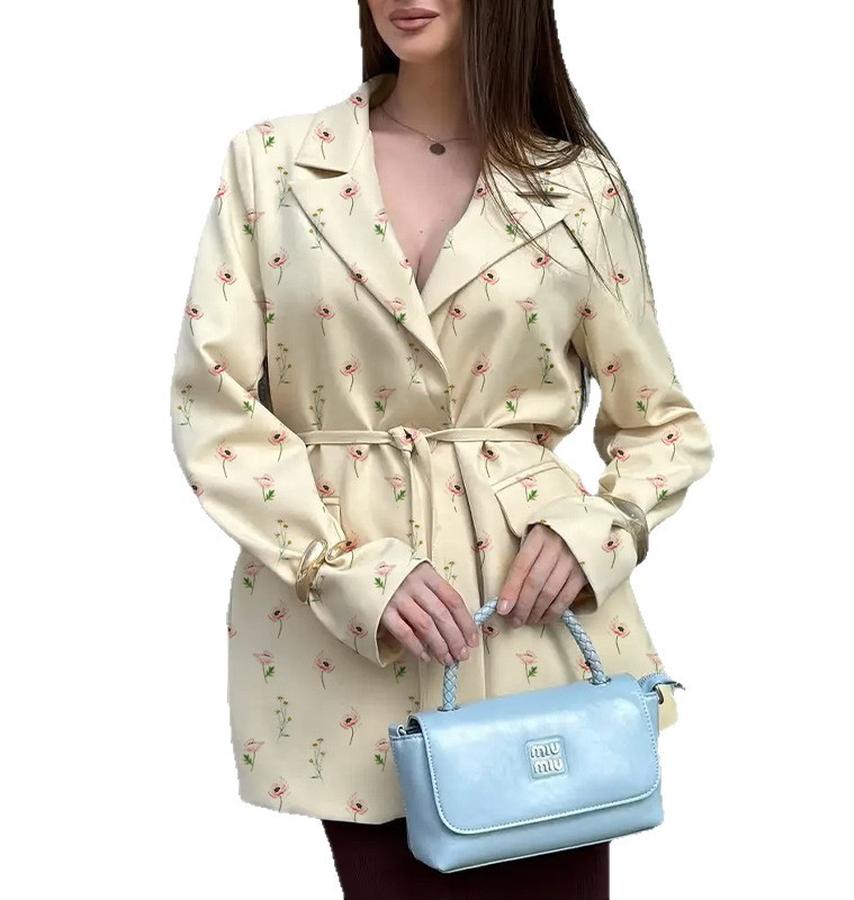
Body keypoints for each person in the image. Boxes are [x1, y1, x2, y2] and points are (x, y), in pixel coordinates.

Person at [168, 0, 714, 895]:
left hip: (533, 626)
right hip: (348, 639)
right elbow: (214, 408)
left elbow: (661, 423)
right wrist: (341, 568)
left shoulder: (577, 185)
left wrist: (596, 530)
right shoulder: (273, 165)